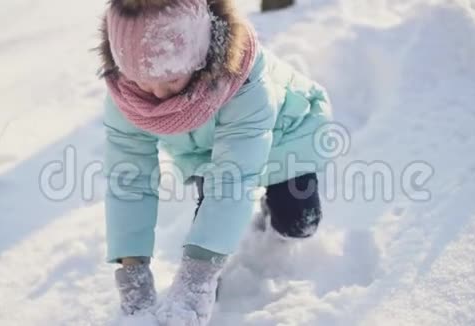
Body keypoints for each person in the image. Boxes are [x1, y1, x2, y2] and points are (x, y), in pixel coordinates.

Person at [99, 0, 332, 324]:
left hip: (286, 136)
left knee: (298, 224)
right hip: (210, 155)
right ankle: (211, 270)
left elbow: (233, 178)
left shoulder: (245, 83)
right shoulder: (127, 96)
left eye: (171, 81)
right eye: (142, 80)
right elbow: (129, 178)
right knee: (210, 224)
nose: (156, 94)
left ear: (199, 59)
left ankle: (264, 225)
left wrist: (197, 278)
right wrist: (132, 270)